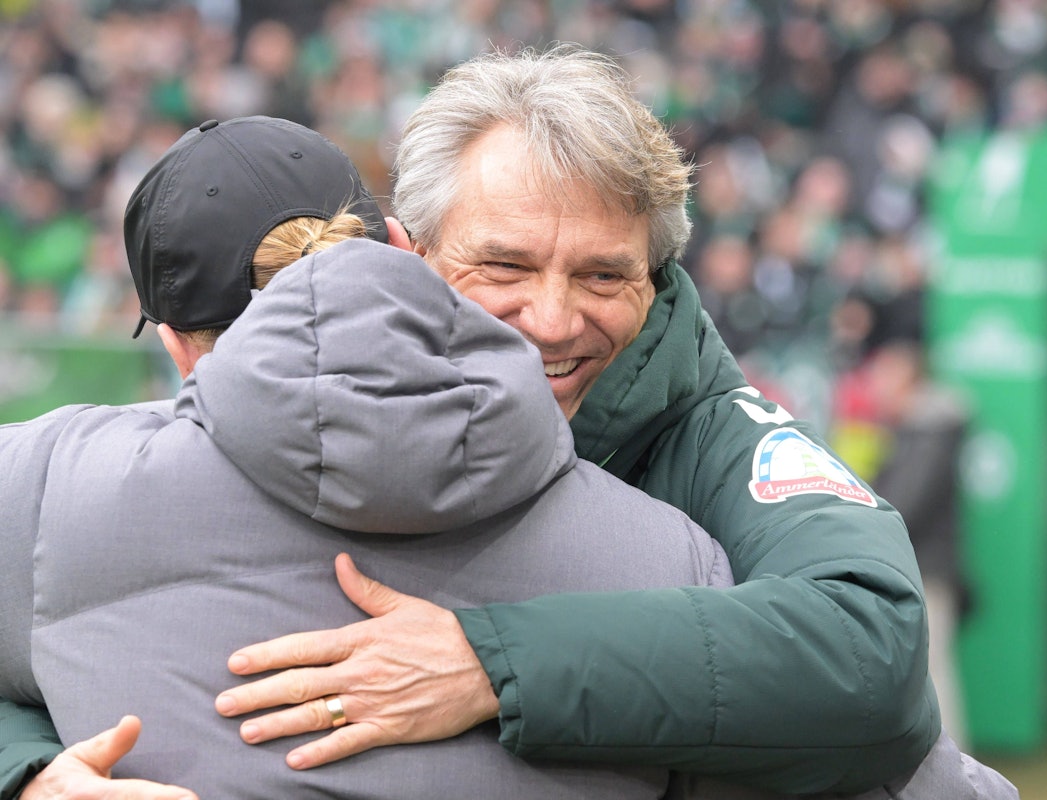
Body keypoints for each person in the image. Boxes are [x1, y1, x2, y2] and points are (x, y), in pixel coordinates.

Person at [205, 45, 945, 794]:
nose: (553, 321)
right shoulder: (311, 425)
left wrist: (491, 665)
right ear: (408, 253)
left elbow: (869, 649)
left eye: (602, 275)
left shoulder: (719, 437)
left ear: (654, 281)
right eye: (504, 267)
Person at [1, 116, 744, 799]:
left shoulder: (46, 485)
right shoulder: (677, 556)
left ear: (176, 349)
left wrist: (27, 777)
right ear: (401, 249)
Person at [866, 338, 973, 750]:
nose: (876, 386)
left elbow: (905, 504)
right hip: (915, 569)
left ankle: (955, 775)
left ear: (907, 380)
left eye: (884, 376)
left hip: (926, 570)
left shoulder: (929, 432)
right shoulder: (910, 430)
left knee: (934, 676)